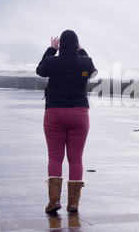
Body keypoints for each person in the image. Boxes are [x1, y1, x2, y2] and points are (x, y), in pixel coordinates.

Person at [36, 30, 97, 214]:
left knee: (55, 157)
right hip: (79, 113)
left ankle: (54, 200)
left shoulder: (52, 62)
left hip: (54, 113)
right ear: (77, 45)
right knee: (76, 158)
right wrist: (82, 50)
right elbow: (92, 73)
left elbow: (40, 70)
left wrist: (51, 49)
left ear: (60, 45)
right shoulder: (85, 62)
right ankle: (73, 204)